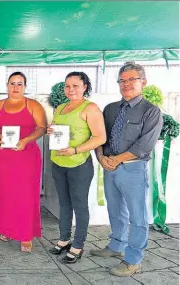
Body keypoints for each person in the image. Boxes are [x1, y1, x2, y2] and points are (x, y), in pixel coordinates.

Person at [91, 63, 163, 277]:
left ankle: (133, 260)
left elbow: (144, 145)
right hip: (109, 166)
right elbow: (99, 135)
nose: (126, 84)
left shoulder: (151, 111)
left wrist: (116, 160)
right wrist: (101, 157)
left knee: (137, 216)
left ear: (143, 82)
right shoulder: (111, 108)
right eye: (122, 80)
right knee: (115, 210)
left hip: (133, 169)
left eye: (132, 79)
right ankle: (116, 246)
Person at [46, 72, 106, 263]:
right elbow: (57, 130)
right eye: (67, 86)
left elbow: (100, 138)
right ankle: (64, 239)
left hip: (79, 164)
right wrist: (51, 131)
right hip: (58, 162)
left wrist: (75, 150)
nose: (70, 89)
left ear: (85, 87)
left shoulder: (91, 108)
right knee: (64, 203)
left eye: (75, 86)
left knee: (79, 206)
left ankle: (78, 245)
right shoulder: (61, 107)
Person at [0, 71, 47, 252]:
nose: (15, 87)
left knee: (25, 195)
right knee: (6, 193)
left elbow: (42, 128)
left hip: (27, 157)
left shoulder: (33, 105)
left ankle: (25, 234)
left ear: (25, 86)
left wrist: (26, 140)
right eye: (12, 83)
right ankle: (6, 228)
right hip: (5, 157)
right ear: (7, 85)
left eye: (19, 84)